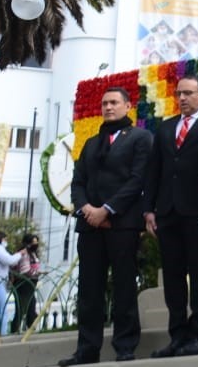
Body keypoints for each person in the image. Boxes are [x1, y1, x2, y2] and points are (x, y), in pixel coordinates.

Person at [60, 87, 153, 366]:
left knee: (123, 286)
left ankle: (125, 345)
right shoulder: (91, 142)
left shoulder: (140, 138)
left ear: (127, 106)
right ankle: (87, 349)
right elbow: (78, 182)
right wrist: (86, 208)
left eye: (114, 102)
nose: (108, 107)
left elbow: (137, 180)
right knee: (89, 290)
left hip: (122, 224)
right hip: (90, 225)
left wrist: (107, 209)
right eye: (104, 103)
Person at [144, 75, 198, 358]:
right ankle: (177, 335)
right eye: (179, 94)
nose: (182, 98)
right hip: (167, 212)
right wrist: (149, 209)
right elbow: (154, 170)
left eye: (188, 93)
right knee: (173, 276)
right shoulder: (166, 127)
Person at [0, 230, 22, 336]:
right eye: (5, 239)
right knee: (1, 311)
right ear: (1, 239)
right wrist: (19, 254)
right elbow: (10, 260)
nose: (6, 242)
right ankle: (2, 335)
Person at [9, 232, 41, 334]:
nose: (35, 245)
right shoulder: (24, 254)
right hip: (23, 284)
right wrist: (37, 273)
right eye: (33, 242)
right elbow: (25, 270)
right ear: (27, 243)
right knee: (21, 307)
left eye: (36, 242)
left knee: (31, 305)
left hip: (31, 284)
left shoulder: (32, 253)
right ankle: (15, 330)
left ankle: (30, 328)